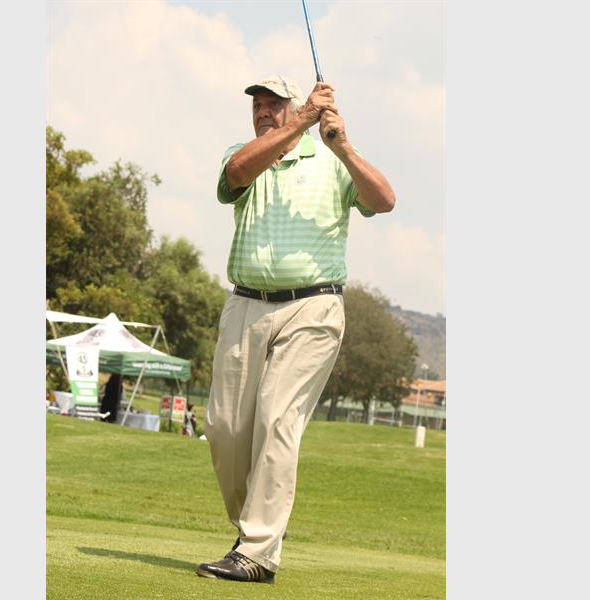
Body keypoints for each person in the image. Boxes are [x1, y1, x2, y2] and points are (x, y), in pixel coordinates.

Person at [197, 75, 396, 584]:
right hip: (245, 305)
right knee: (224, 430)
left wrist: (342, 146)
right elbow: (236, 174)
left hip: (313, 307)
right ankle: (253, 536)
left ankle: (257, 551)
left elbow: (384, 200)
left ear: (292, 107)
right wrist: (304, 119)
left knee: (277, 420)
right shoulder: (243, 155)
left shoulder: (331, 158)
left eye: (273, 104)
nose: (263, 112)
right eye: (257, 106)